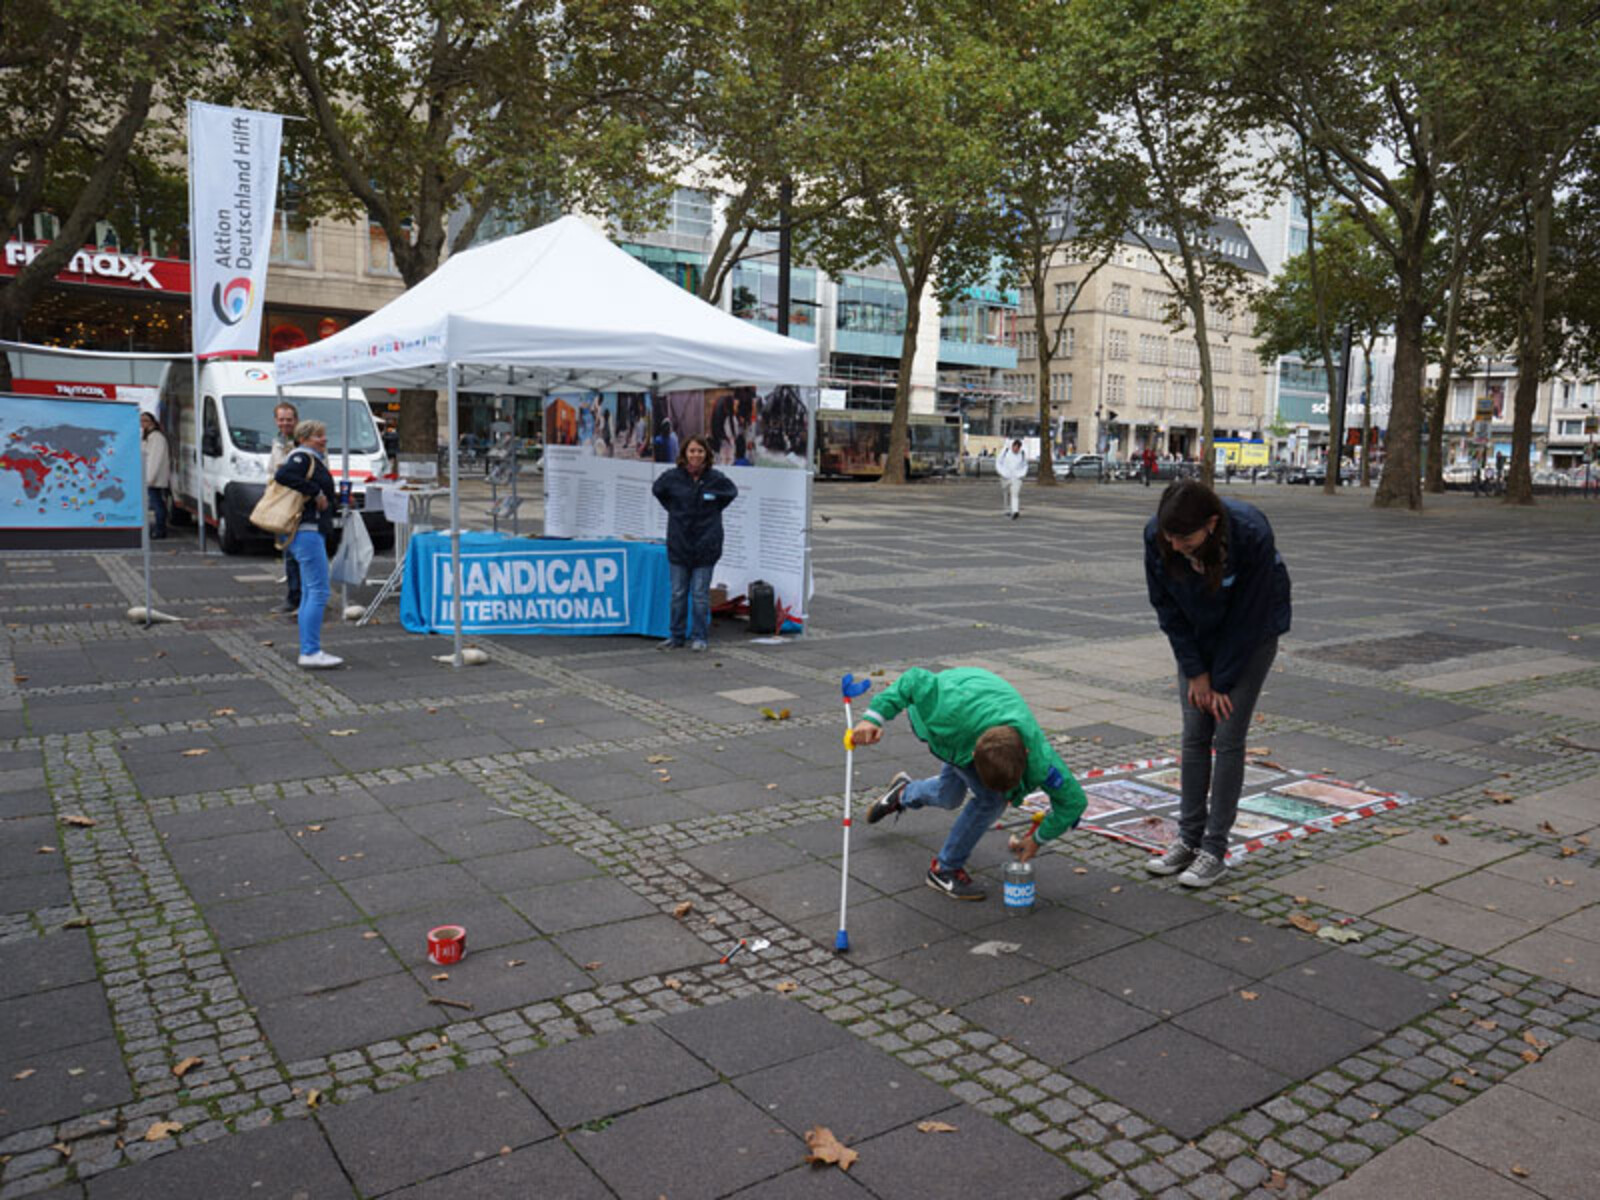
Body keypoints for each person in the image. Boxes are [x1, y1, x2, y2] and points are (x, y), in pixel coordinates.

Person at [1143, 480, 1291, 888]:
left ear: (1211, 524)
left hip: (1251, 637)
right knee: (1194, 733)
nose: (1175, 546)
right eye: (1169, 537)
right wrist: (1196, 673)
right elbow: (1166, 608)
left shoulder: (1251, 533)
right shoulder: (1158, 536)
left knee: (1226, 735)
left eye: (1185, 538)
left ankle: (1214, 850)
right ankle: (1187, 840)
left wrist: (1221, 683)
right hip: (1196, 632)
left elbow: (1251, 616)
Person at [855, 667, 1087, 901]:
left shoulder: (1042, 761)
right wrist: (873, 717)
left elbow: (1074, 802)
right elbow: (914, 679)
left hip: (976, 711)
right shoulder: (947, 710)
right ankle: (944, 870)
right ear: (973, 756)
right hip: (952, 718)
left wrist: (1037, 840)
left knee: (949, 796)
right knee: (991, 801)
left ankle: (903, 793)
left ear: (1025, 754)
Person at [651, 435, 737, 652]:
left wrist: (712, 507)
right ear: (684, 454)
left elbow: (731, 493)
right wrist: (675, 509)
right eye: (692, 451)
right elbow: (658, 490)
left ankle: (700, 637)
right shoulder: (672, 477)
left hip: (705, 546)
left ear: (706, 454)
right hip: (679, 545)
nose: (695, 455)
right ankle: (676, 636)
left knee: (699, 594)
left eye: (700, 451)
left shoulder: (716, 479)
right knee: (678, 593)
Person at [275, 419, 343, 669]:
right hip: (308, 531)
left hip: (306, 531)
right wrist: (317, 492)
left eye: (323, 434)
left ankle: (309, 648)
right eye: (318, 435)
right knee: (319, 591)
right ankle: (311, 651)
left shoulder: (310, 458)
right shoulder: (302, 457)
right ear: (303, 438)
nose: (324, 439)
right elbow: (283, 475)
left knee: (310, 591)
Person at [267, 401, 301, 614]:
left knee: (302, 554)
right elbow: (271, 471)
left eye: (289, 419)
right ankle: (293, 597)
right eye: (281, 419)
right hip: (282, 505)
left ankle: (305, 598)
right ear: (276, 421)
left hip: (300, 503)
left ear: (295, 420)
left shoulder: (304, 441)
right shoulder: (276, 443)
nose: (285, 423)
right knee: (288, 553)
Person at [139, 411, 170, 539]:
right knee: (157, 503)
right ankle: (159, 528)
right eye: (141, 421)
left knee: (157, 503)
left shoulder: (156, 437)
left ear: (152, 422)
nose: (142, 423)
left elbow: (154, 459)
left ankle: (160, 530)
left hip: (153, 477)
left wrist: (150, 477)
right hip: (151, 476)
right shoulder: (149, 436)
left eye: (145, 420)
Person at [996, 438, 1027, 519]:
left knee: (1014, 494)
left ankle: (1015, 511)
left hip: (1016, 477)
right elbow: (998, 462)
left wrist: (1021, 474)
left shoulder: (1022, 454)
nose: (1016, 449)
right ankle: (1006, 509)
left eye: (1017, 448)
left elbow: (1025, 465)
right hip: (1005, 476)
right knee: (1006, 493)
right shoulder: (1005, 451)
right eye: (1015, 447)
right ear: (1012, 446)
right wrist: (1002, 472)